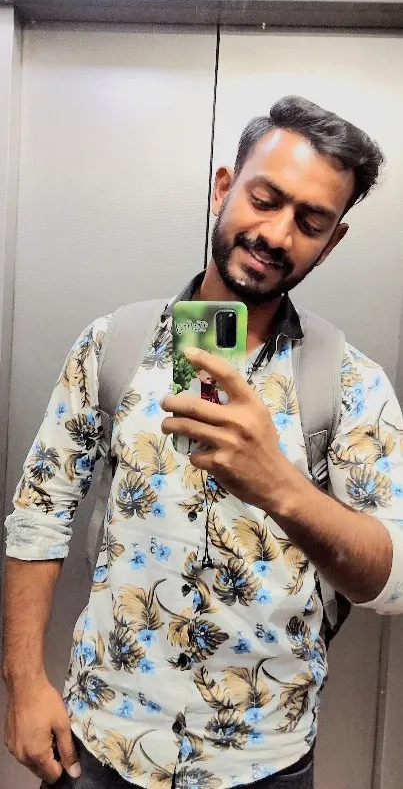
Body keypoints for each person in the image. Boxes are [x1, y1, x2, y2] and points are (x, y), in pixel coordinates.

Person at [3, 96, 403, 789]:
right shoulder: (114, 345)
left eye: (310, 221)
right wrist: (23, 683)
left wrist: (279, 485)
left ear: (332, 240)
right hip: (101, 743)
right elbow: (40, 514)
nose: (277, 233)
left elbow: (390, 584)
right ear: (223, 187)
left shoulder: (349, 385)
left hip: (261, 762)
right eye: (264, 198)